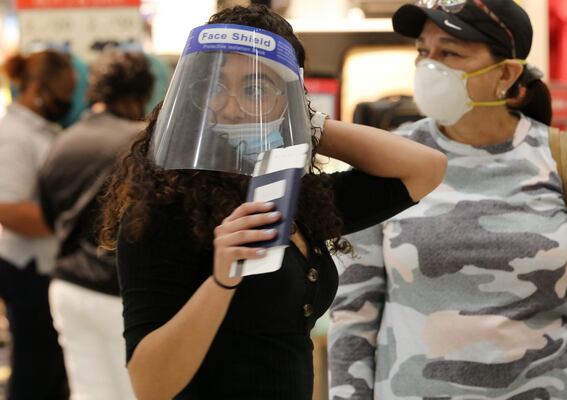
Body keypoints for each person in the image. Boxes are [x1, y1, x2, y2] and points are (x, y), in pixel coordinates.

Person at [99, 5, 447, 400]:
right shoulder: (163, 211)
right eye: (213, 85)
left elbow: (425, 169)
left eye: (255, 89)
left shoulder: (294, 198)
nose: (229, 107)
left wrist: (308, 123)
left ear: (288, 99)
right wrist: (221, 281)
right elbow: (151, 385)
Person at [328, 0, 567, 399]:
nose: (428, 65)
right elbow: (354, 311)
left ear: (506, 73)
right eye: (423, 51)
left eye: (449, 53)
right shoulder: (391, 158)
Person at [38, 50, 154, 400]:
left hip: (68, 287)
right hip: (119, 290)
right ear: (139, 95)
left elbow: (48, 217)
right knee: (136, 391)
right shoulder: (140, 143)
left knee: (89, 391)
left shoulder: (61, 142)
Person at [0, 49, 75, 400]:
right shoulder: (14, 134)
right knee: (33, 370)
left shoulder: (40, 130)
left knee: (50, 369)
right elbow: (9, 210)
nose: (69, 99)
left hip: (44, 266)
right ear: (40, 89)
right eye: (65, 90)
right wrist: (71, 221)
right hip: (26, 269)